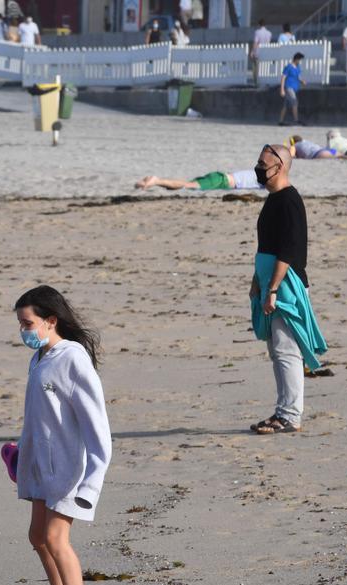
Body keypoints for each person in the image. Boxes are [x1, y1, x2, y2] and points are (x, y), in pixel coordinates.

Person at [13, 285, 112, 585]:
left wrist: (92, 480)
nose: (24, 331)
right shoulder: (39, 357)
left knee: (56, 538)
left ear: (50, 320)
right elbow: (40, 418)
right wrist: (22, 455)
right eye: (21, 324)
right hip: (42, 467)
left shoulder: (73, 359)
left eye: (28, 323)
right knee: (37, 537)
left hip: (71, 469)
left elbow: (97, 425)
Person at [249, 145, 327, 435]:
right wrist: (256, 282)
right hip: (270, 282)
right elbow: (266, 245)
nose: (258, 168)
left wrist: (272, 288)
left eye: (262, 163)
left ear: (278, 166)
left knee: (287, 351)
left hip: (286, 285)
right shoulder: (273, 200)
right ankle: (282, 411)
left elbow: (288, 250)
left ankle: (290, 415)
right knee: (277, 351)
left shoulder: (289, 201)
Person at [135, 170, 264, 191]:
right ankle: (156, 181)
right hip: (221, 180)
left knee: (183, 186)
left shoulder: (260, 172)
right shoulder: (266, 178)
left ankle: (156, 181)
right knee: (188, 186)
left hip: (218, 177)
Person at [278, 52, 305, 126]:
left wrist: (302, 81)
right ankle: (296, 120)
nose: (300, 61)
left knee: (286, 105)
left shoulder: (298, 67)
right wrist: (282, 89)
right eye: (299, 60)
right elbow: (283, 78)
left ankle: (280, 121)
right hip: (289, 87)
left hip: (294, 88)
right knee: (294, 102)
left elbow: (298, 76)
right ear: (296, 59)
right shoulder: (288, 67)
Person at [251, 19, 272, 87]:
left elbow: (256, 42)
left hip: (258, 52)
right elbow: (268, 43)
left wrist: (252, 51)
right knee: (265, 68)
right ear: (265, 25)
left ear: (259, 25)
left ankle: (256, 83)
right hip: (266, 52)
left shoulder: (257, 32)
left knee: (256, 68)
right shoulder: (269, 33)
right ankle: (266, 82)